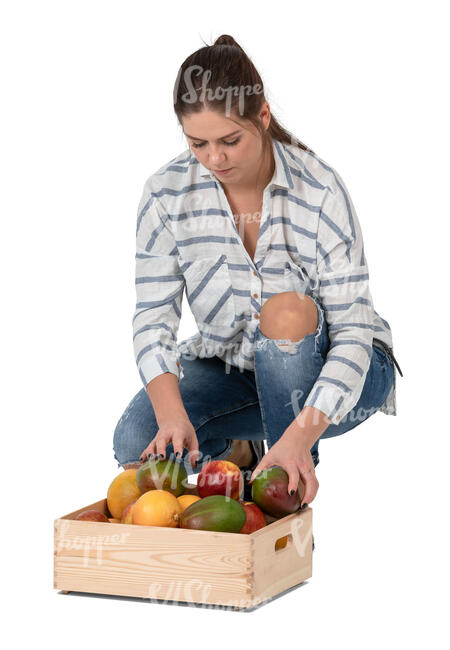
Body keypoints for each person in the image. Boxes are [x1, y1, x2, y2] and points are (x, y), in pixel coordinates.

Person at [113, 34, 403, 506]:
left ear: (263, 117)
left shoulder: (320, 189)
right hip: (235, 366)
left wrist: (295, 440)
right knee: (136, 442)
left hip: (344, 377)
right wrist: (171, 417)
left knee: (285, 312)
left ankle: (283, 480)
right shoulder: (166, 194)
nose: (215, 159)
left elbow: (353, 333)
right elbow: (152, 318)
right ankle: (241, 451)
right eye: (198, 143)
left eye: (230, 140)